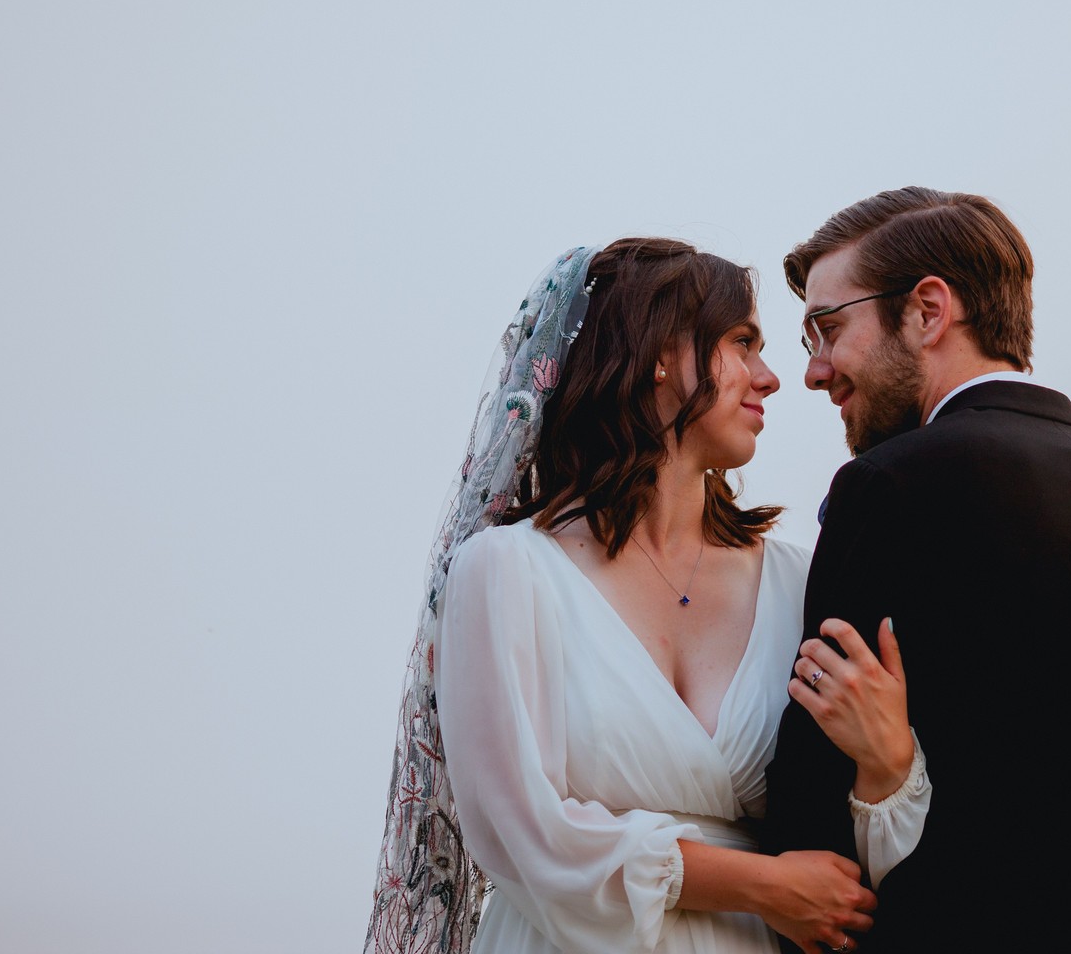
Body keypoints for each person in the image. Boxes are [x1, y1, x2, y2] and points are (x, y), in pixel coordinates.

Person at [364, 238, 901, 954]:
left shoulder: (799, 581)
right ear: (657, 353)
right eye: (742, 343)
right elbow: (519, 829)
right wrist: (760, 885)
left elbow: (850, 840)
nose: (771, 377)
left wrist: (889, 763)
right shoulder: (506, 572)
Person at [762, 188, 1071, 952]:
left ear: (928, 310)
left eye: (827, 327)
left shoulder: (893, 484)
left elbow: (815, 801)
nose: (814, 371)